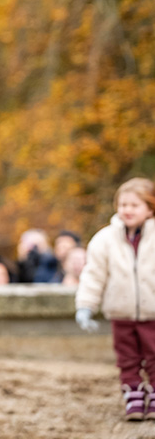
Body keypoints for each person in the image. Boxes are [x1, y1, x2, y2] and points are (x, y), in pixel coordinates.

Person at [75, 177, 155, 421]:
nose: (127, 210)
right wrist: (86, 306)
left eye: (134, 205)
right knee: (127, 358)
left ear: (150, 208)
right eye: (123, 205)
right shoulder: (105, 239)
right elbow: (93, 275)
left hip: (152, 312)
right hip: (121, 312)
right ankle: (132, 392)